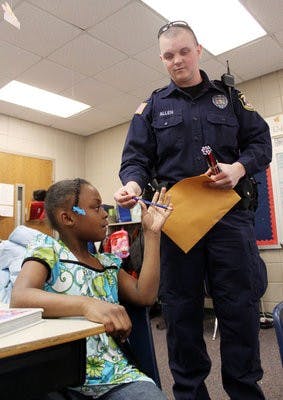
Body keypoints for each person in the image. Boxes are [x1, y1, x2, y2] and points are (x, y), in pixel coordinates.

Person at [114, 21, 272, 400]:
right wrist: (133, 185)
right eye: (168, 55)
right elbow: (135, 159)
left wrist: (237, 168)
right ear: (161, 59)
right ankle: (189, 393)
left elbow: (261, 145)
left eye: (184, 51)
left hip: (228, 217)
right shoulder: (152, 106)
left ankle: (245, 390)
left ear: (199, 50)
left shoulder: (230, 99)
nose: (177, 60)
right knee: (181, 312)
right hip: (176, 218)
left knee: (239, 307)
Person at [11, 178, 172, 400]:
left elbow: (145, 295)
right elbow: (20, 297)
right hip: (56, 378)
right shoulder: (49, 251)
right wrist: (88, 304)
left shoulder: (108, 263)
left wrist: (152, 234)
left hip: (114, 377)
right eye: (96, 207)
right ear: (67, 217)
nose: (105, 213)